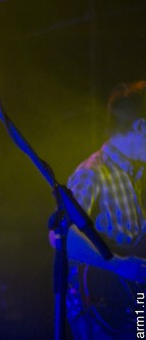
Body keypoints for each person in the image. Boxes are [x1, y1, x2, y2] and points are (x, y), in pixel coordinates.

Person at [49, 80, 146, 340]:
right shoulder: (92, 173)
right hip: (101, 312)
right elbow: (62, 237)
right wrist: (118, 265)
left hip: (131, 305)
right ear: (141, 127)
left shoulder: (135, 173)